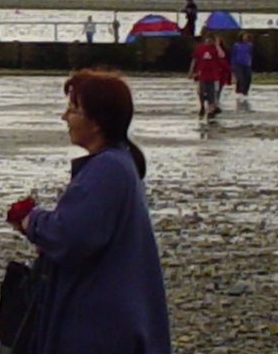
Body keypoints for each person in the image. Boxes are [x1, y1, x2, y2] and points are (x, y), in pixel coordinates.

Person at [11, 70, 171, 354]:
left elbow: (70, 235)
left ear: (97, 122)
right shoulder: (120, 163)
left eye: (73, 110)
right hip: (112, 313)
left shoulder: (107, 169)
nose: (64, 117)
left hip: (98, 321)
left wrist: (31, 220)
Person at [188, 33, 222, 119]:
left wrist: (217, 45)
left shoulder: (215, 49)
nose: (209, 41)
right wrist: (191, 71)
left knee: (212, 93)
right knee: (201, 92)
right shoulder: (200, 48)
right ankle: (202, 106)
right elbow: (194, 60)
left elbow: (222, 55)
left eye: (211, 40)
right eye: (208, 39)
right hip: (201, 74)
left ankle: (211, 110)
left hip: (212, 74)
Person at [230, 32, 255, 112]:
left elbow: (251, 54)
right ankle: (239, 93)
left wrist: (250, 61)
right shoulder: (236, 45)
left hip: (247, 64)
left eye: (247, 36)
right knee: (240, 79)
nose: (245, 38)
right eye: (244, 36)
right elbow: (233, 55)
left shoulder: (250, 45)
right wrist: (232, 66)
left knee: (248, 79)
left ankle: (245, 93)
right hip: (238, 64)